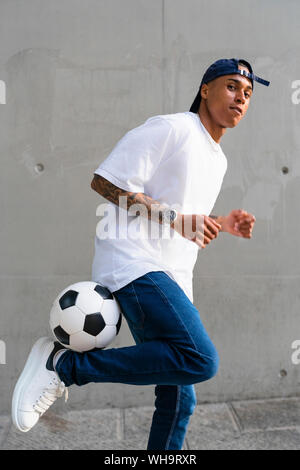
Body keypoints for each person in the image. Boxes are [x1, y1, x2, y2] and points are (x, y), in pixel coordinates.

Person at [11, 58, 269, 449]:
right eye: (232, 86)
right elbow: (105, 182)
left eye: (248, 94)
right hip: (134, 263)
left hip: (174, 275)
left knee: (180, 396)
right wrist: (176, 218)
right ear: (205, 90)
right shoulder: (173, 128)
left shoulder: (218, 158)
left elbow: (176, 211)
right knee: (200, 359)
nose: (241, 98)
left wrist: (220, 222)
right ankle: (65, 366)